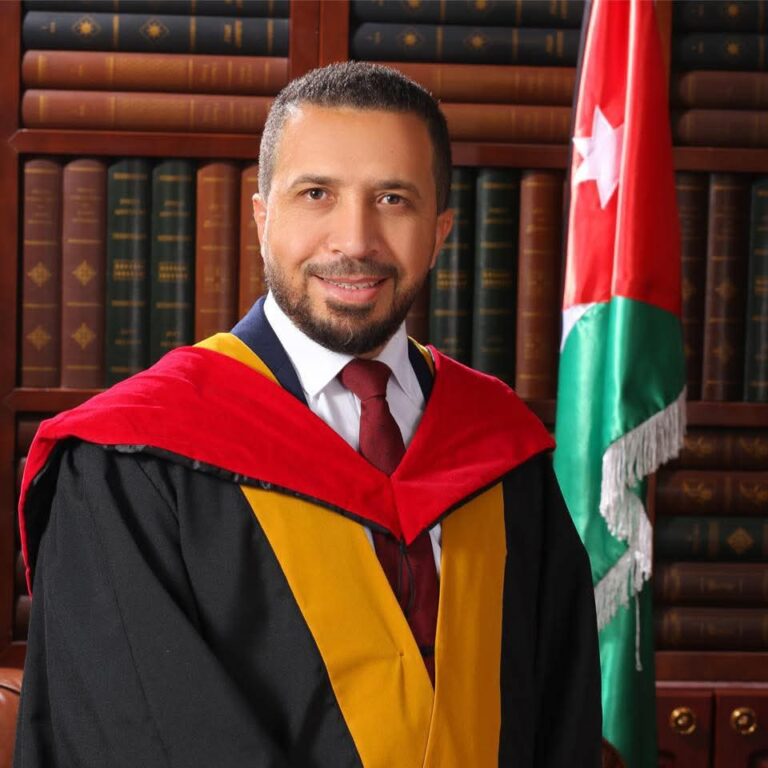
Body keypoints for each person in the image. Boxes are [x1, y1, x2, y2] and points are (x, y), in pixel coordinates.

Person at [15, 62, 601, 767]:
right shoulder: (130, 461)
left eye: (393, 199)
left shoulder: (500, 447)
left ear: (440, 231)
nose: (354, 240)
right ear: (263, 218)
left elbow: (560, 711)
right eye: (317, 194)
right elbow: (136, 733)